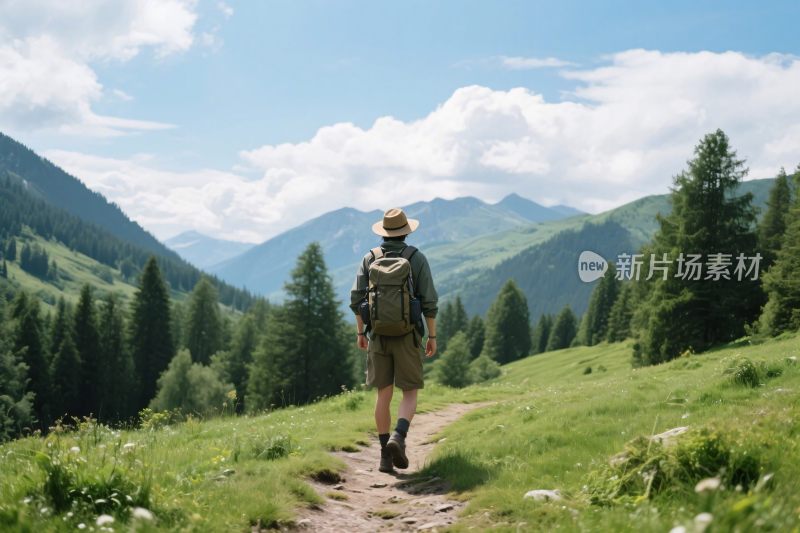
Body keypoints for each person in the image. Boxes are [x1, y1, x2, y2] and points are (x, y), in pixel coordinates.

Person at [350, 207, 438, 473]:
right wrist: (431, 335)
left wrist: (360, 332)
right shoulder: (415, 258)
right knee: (409, 391)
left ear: (384, 232)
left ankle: (384, 457)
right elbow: (429, 301)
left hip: (377, 336)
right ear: (406, 231)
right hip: (408, 334)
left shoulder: (370, 258)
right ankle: (399, 437)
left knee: (383, 394)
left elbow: (356, 301)